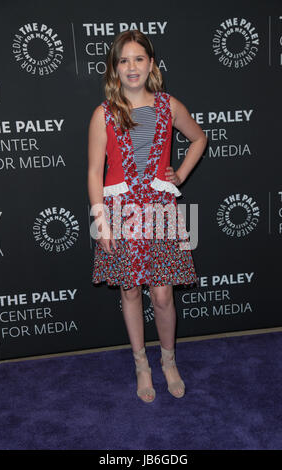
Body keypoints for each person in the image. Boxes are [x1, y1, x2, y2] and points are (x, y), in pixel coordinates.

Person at [88, 30, 207, 403]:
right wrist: (101, 222)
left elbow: (199, 138)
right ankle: (142, 364)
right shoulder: (103, 113)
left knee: (162, 295)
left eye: (139, 58)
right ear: (114, 69)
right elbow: (94, 171)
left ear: (151, 64)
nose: (132, 67)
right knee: (129, 290)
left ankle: (168, 360)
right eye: (123, 60)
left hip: (160, 210)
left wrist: (181, 174)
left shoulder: (168, 106)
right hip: (120, 213)